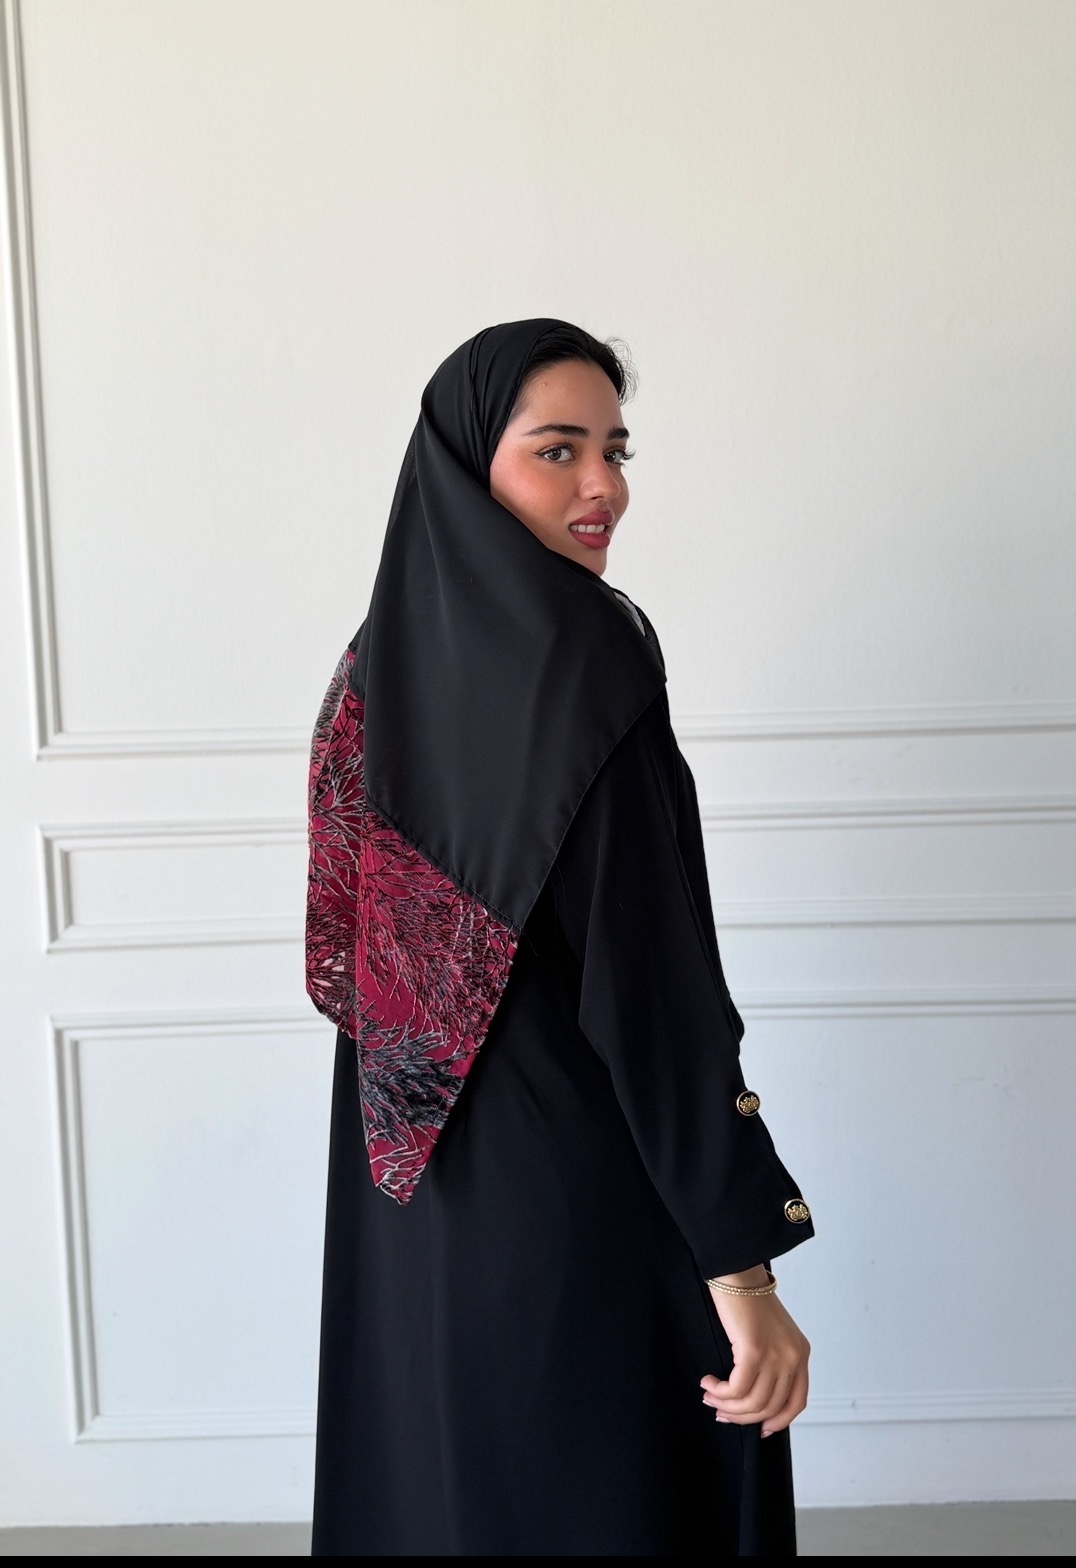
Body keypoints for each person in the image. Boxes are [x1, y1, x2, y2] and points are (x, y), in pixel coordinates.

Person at [305, 319, 813, 1556]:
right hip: (579, 1170)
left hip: (410, 1177)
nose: (603, 487)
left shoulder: (375, 661)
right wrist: (741, 1266)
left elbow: (341, 957)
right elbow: (652, 990)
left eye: (614, 450)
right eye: (557, 450)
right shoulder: (587, 658)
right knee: (621, 1484)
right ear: (466, 463)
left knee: (451, 1485)